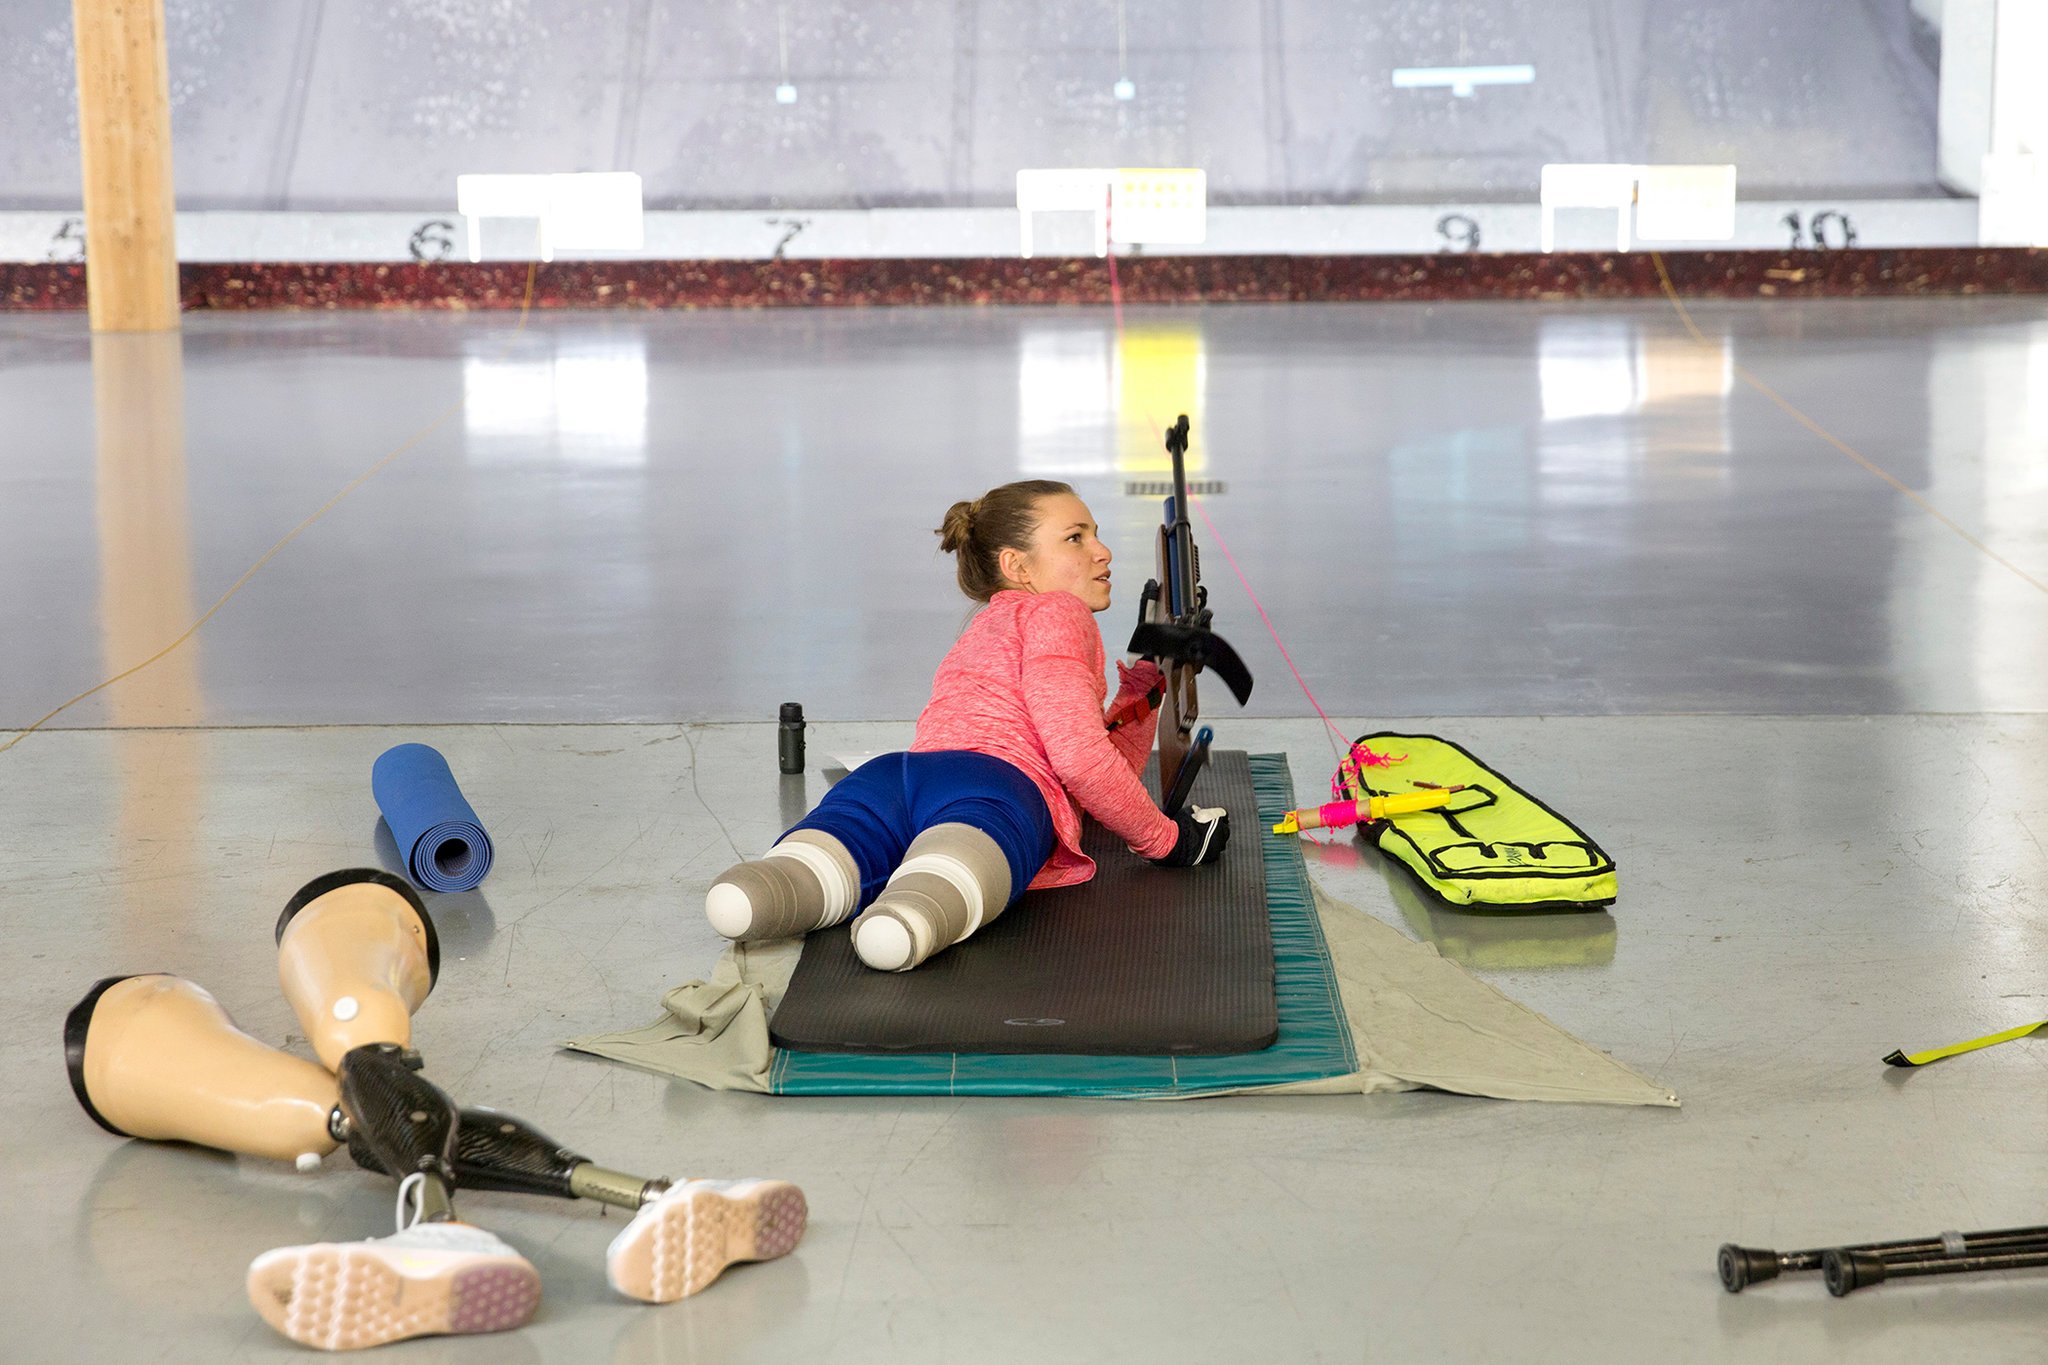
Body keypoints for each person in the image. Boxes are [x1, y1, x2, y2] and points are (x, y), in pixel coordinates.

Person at [705, 479, 1230, 972]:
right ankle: (909, 916)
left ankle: (760, 892)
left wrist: (1142, 694)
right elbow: (1079, 759)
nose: (1103, 551)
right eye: (1075, 538)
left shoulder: (991, 621)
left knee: (822, 865)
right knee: (947, 873)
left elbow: (1096, 763)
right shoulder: (1060, 613)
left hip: (896, 778)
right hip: (994, 790)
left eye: (1095, 533)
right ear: (1017, 565)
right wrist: (1165, 839)